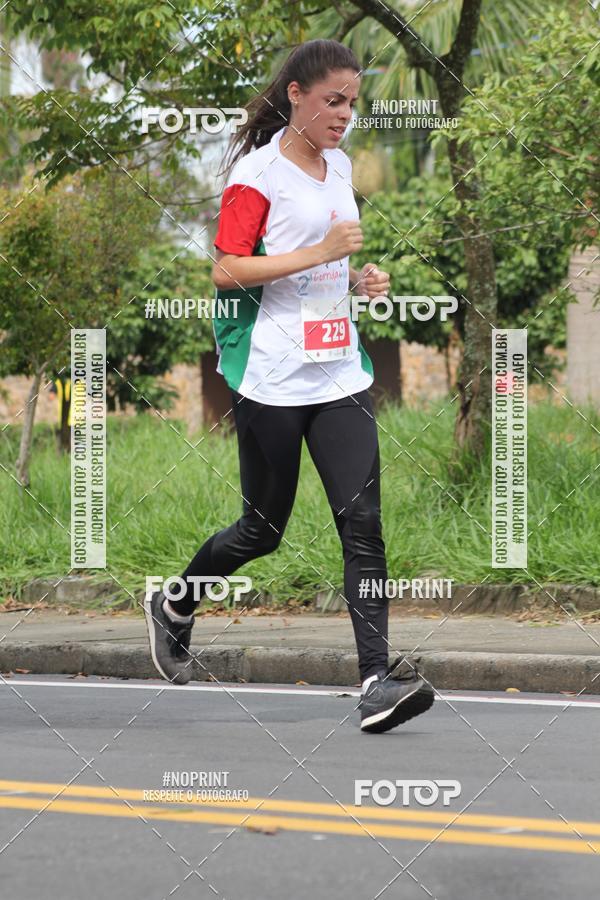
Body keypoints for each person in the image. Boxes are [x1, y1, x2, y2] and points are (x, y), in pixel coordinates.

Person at [144, 38, 434, 733]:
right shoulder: (258, 173)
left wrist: (359, 281)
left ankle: (375, 681)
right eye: (333, 100)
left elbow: (322, 270)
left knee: (363, 524)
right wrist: (322, 253)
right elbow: (227, 270)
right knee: (262, 529)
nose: (344, 115)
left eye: (353, 103)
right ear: (297, 95)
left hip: (338, 371)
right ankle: (175, 603)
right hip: (272, 375)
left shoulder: (337, 167)